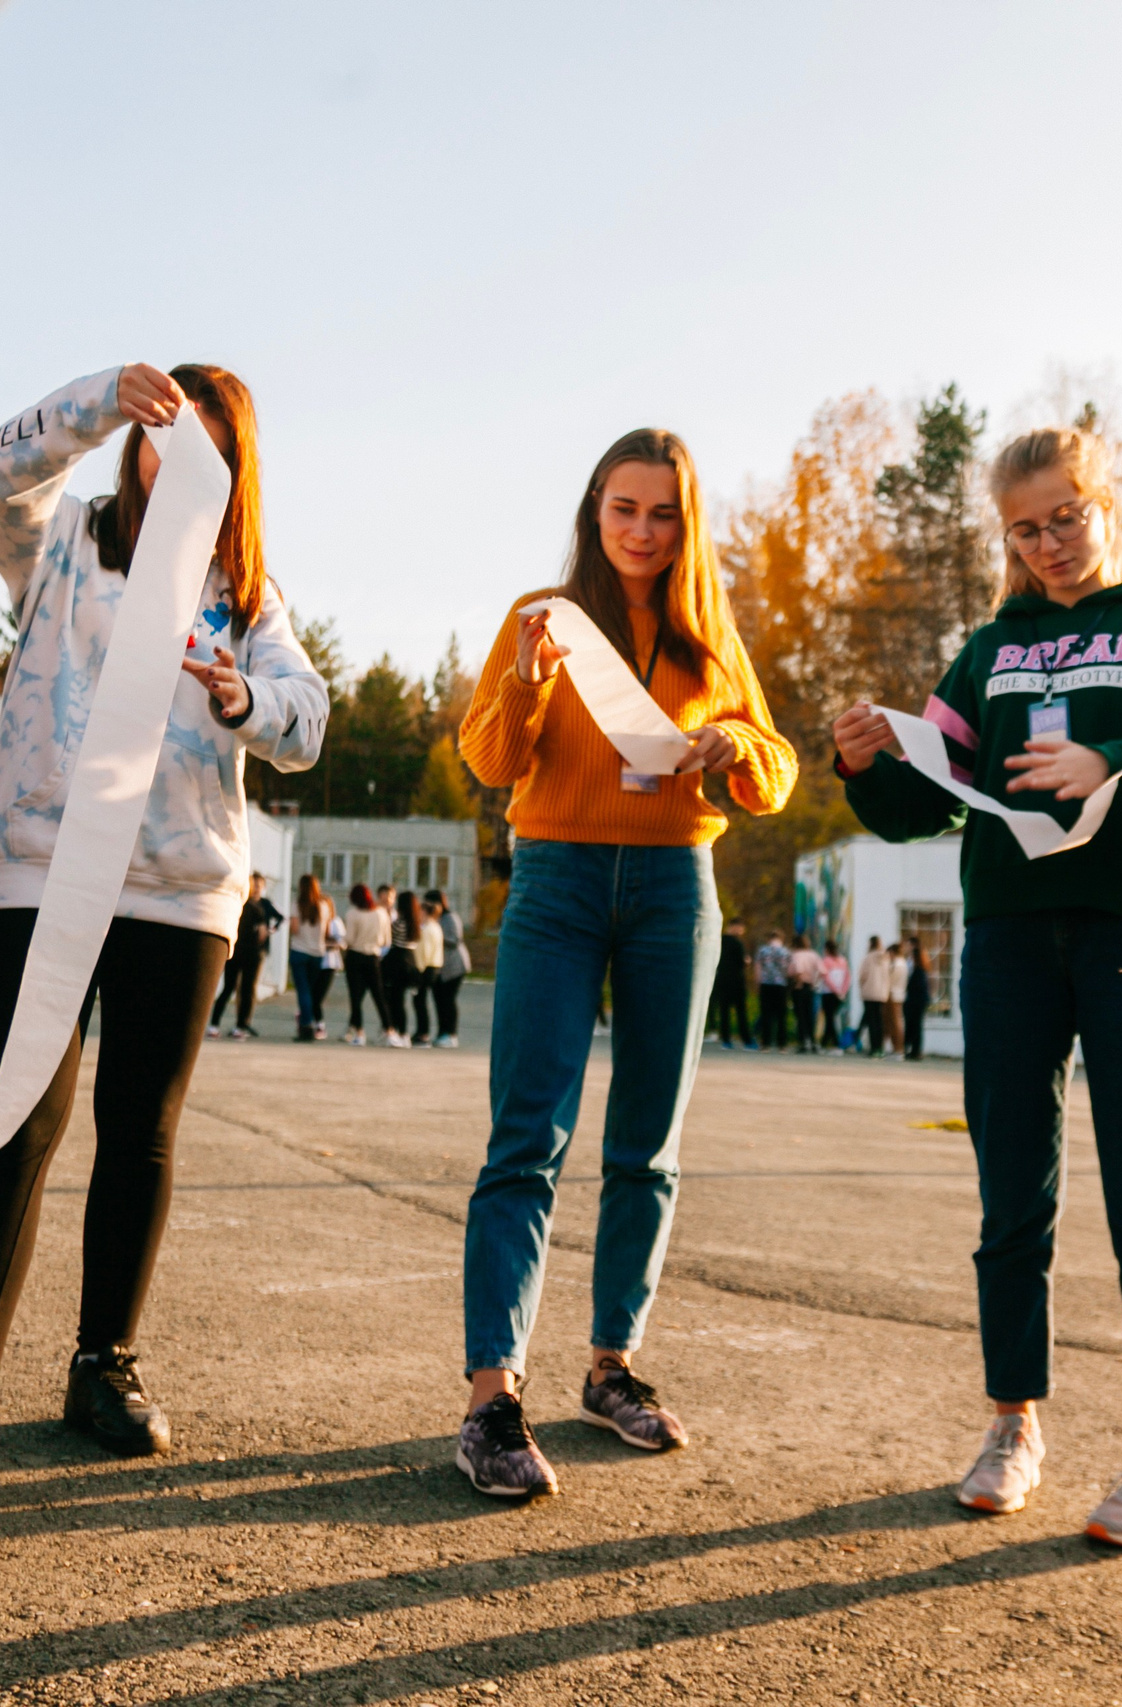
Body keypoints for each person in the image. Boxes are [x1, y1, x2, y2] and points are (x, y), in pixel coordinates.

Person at [0, 360, 328, 1517]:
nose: (177, 460)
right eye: (164, 433)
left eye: (207, 445)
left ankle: (102, 1365)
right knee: (15, 1125)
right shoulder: (64, 542)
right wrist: (93, 400)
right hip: (41, 870)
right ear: (137, 440)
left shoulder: (247, 594)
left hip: (179, 894)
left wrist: (245, 701)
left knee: (140, 1132)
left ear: (235, 470)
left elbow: (308, 720)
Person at [832, 423, 1122, 1550]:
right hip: (1010, 939)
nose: (1050, 542)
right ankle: (1011, 1425)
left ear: (1107, 503)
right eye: (1025, 528)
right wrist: (867, 761)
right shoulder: (989, 650)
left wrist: (1110, 763)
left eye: (1067, 515)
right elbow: (930, 800)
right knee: (1011, 1197)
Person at [453, 426, 796, 1498]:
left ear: (686, 526)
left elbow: (775, 770)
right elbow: (489, 759)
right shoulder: (542, 617)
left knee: (648, 1145)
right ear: (593, 510)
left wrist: (740, 750)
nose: (642, 532)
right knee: (528, 1137)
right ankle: (491, 1400)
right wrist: (524, 683)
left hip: (673, 889)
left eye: (663, 514)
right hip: (554, 879)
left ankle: (612, 1367)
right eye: (623, 509)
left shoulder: (709, 639)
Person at [212, 873, 282, 1040]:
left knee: (239, 989)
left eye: (259, 885)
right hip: (244, 952)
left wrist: (269, 930)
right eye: (254, 885)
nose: (256, 888)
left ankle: (228, 1025)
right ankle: (229, 1026)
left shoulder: (255, 904)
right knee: (238, 988)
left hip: (244, 952)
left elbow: (278, 919)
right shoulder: (250, 906)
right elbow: (261, 931)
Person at [286, 873, 335, 1041]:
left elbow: (295, 929)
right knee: (311, 991)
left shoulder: (297, 904)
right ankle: (310, 1023)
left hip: (299, 951)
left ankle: (306, 1026)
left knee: (303, 991)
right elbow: (327, 931)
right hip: (317, 954)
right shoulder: (324, 906)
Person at [341, 883, 391, 1044]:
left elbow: (349, 939)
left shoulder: (352, 914)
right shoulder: (381, 913)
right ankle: (389, 1030)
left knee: (355, 997)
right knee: (379, 996)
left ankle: (359, 1033)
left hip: (355, 956)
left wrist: (341, 941)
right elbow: (386, 940)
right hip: (373, 957)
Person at [382, 889, 426, 1050]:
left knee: (395, 1000)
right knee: (400, 1000)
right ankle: (402, 1033)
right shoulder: (416, 924)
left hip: (397, 961)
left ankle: (400, 1033)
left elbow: (388, 938)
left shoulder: (398, 923)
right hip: (410, 961)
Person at [426, 887, 468, 1048]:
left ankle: (451, 1034)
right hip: (440, 967)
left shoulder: (450, 918)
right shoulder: (435, 919)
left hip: (454, 966)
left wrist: (436, 936)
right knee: (439, 1000)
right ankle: (442, 1033)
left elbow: (454, 939)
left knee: (448, 1000)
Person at [406, 891, 446, 1045]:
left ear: (424, 911)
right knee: (420, 1001)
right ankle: (421, 1031)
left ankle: (423, 1033)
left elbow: (424, 952)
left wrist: (417, 970)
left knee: (420, 1002)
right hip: (434, 966)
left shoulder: (427, 929)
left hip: (426, 968)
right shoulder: (435, 927)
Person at [708, 918, 751, 1048]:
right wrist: (747, 962)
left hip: (721, 979)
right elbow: (742, 962)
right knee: (740, 1010)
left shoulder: (718, 941)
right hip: (736, 980)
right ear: (735, 927)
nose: (742, 931)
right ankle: (747, 1040)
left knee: (724, 1011)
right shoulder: (737, 943)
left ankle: (726, 1040)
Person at [754, 929, 792, 1050]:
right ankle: (782, 1044)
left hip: (766, 984)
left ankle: (766, 1043)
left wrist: (758, 983)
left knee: (766, 1014)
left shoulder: (762, 950)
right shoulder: (786, 952)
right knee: (781, 1015)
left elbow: (758, 968)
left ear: (769, 938)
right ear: (781, 939)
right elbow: (790, 970)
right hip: (781, 984)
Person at [857, 935, 894, 1056]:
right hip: (882, 994)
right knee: (879, 1021)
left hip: (869, 993)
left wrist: (862, 987)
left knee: (871, 1021)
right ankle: (880, 1047)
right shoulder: (886, 958)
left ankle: (873, 1048)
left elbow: (862, 975)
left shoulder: (868, 958)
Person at [787, 933, 823, 1054]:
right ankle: (813, 1041)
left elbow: (797, 971)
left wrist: (798, 981)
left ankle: (803, 1041)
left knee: (800, 1015)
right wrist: (815, 982)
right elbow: (823, 971)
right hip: (810, 987)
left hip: (799, 987)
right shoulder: (813, 955)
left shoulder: (796, 955)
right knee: (810, 1015)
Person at [904, 936, 933, 1060]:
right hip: (918, 1001)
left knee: (915, 1026)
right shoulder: (921, 969)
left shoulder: (918, 970)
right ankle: (914, 1050)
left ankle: (915, 1051)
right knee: (915, 1026)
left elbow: (916, 987)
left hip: (916, 1002)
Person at [819, 939, 850, 1053]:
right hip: (840, 994)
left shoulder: (826, 960)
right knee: (831, 1018)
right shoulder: (843, 960)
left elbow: (826, 978)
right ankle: (824, 1043)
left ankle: (836, 1043)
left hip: (828, 993)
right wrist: (843, 991)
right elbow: (847, 977)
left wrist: (836, 990)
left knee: (829, 1018)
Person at [883, 940, 911, 1058]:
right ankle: (897, 1048)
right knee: (895, 1023)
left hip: (893, 995)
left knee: (895, 1023)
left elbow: (888, 979)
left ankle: (898, 1049)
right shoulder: (903, 963)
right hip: (899, 995)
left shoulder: (895, 964)